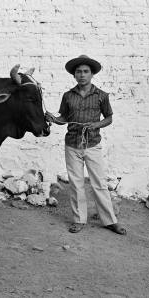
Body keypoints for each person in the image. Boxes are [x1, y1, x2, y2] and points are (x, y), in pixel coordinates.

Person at [46, 55, 126, 235]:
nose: (82, 75)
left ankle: (110, 221)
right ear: (74, 75)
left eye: (85, 72)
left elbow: (109, 118)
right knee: (76, 184)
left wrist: (96, 125)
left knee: (99, 183)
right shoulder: (68, 96)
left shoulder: (101, 96)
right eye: (78, 72)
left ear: (91, 74)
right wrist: (53, 118)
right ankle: (79, 220)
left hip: (92, 144)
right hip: (72, 144)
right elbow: (64, 118)